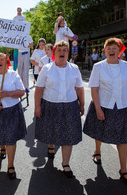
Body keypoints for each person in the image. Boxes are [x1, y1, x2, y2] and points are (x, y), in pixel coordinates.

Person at [83, 38, 127, 187]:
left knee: (123, 138)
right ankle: (97, 151)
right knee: (100, 131)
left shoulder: (126, 66)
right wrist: (98, 109)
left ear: (119, 50)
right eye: (108, 48)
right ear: (104, 51)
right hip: (104, 105)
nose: (111, 50)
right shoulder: (99, 67)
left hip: (123, 106)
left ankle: (124, 170)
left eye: (114, 48)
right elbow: (94, 89)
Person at [34, 41, 84, 178]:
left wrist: (82, 104)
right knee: (51, 129)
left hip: (70, 105)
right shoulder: (46, 68)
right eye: (59, 50)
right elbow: (39, 89)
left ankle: (65, 163)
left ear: (68, 53)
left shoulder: (74, 68)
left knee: (68, 135)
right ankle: (51, 145)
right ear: (54, 53)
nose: (62, 52)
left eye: (64, 50)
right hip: (50, 104)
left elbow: (79, 88)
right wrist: (37, 106)